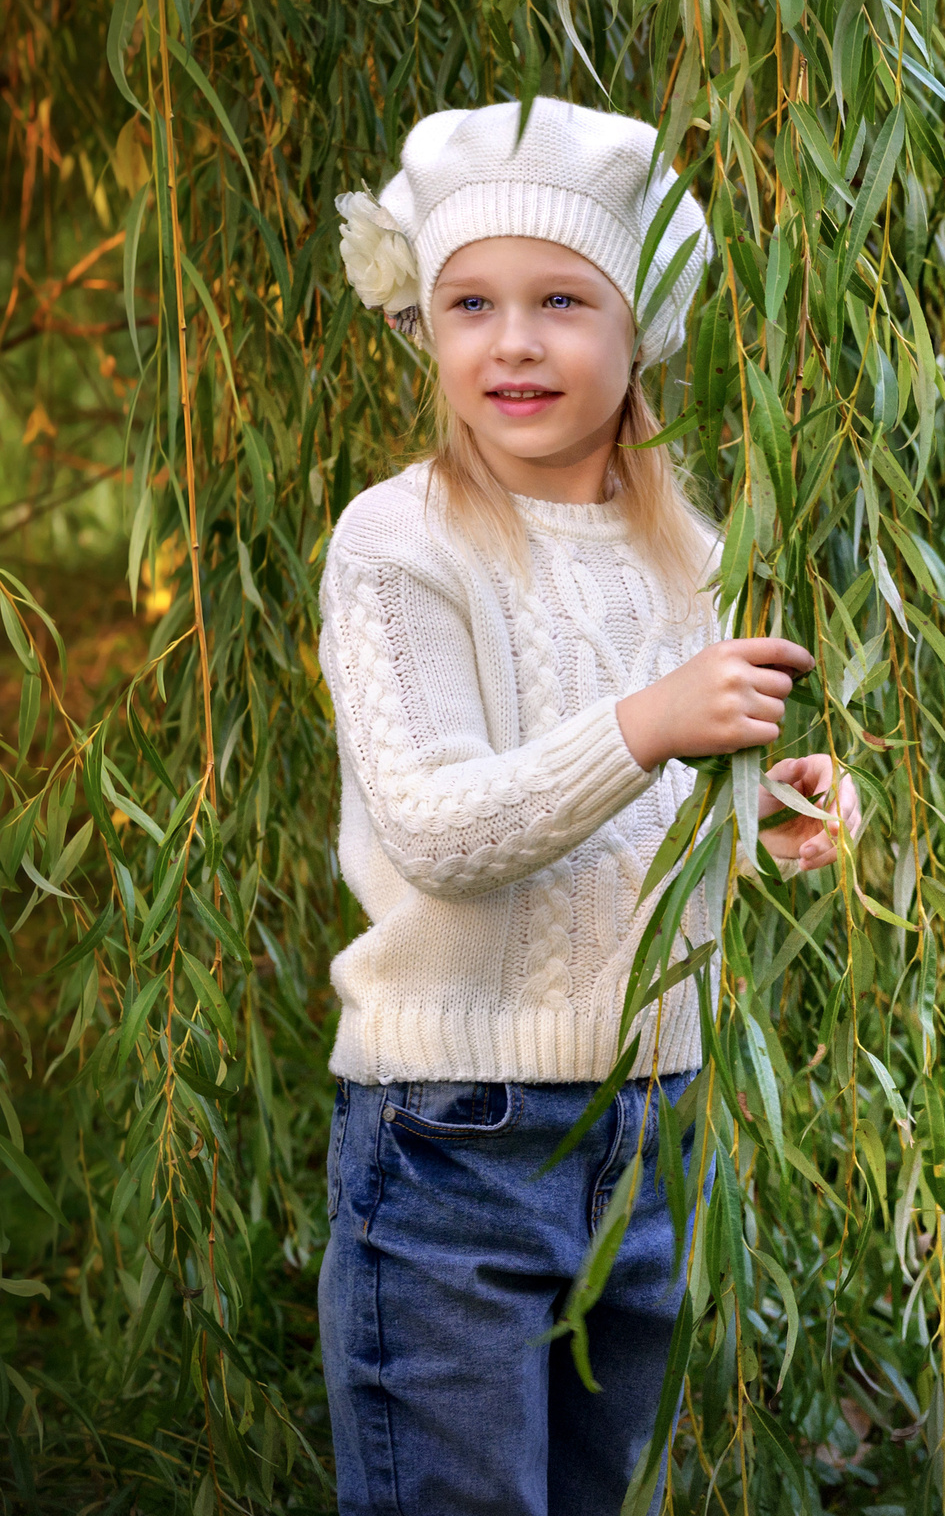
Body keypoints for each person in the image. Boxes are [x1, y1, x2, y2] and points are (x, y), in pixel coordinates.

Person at [314, 96, 859, 1515]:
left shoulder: (691, 549)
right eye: (470, 304)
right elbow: (440, 830)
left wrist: (768, 813)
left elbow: (654, 816)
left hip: (657, 1126)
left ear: (638, 329)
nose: (513, 342)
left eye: (561, 301)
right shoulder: (397, 542)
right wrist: (650, 723)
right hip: (454, 1140)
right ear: (426, 327)